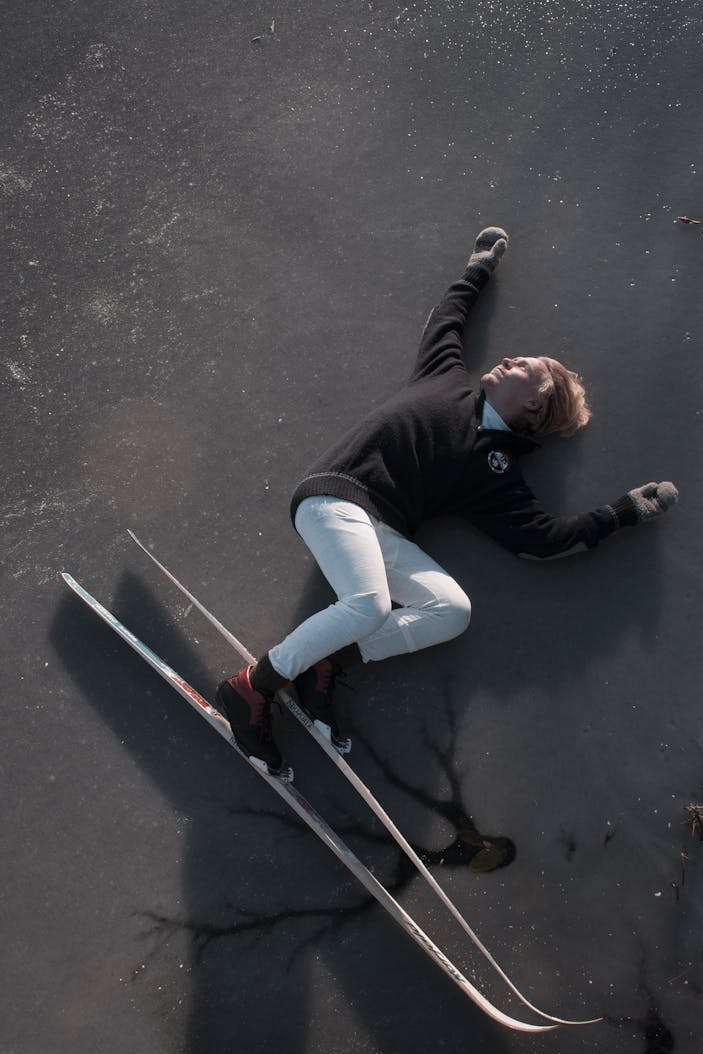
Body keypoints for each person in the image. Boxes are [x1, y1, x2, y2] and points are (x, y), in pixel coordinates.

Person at [215, 227, 678, 777]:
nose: (508, 358)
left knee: (451, 610)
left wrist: (624, 511)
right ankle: (251, 688)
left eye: (524, 366)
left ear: (533, 402)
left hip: (381, 531)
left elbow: (542, 540)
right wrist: (479, 267)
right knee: (369, 605)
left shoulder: (497, 473)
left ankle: (325, 662)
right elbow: (449, 318)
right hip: (333, 496)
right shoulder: (446, 376)